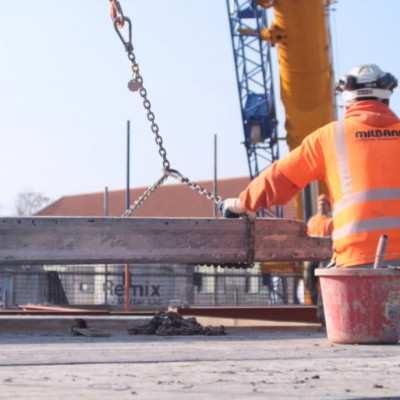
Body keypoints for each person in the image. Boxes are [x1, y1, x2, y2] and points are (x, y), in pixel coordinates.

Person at [220, 63, 400, 270]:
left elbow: (279, 178)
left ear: (347, 102)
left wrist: (242, 203)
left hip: (357, 262)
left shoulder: (330, 137)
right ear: (387, 98)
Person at [304, 194, 332, 306]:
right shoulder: (312, 221)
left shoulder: (331, 221)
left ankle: (322, 304)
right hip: (313, 255)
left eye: (324, 204)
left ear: (328, 206)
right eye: (320, 204)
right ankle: (315, 302)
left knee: (322, 281)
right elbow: (306, 238)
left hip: (325, 257)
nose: (322, 206)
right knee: (309, 279)